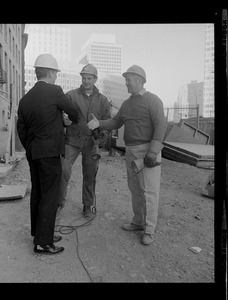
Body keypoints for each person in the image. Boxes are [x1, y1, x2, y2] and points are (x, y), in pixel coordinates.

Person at [88, 65, 166, 245]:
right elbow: (116, 122)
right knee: (135, 189)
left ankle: (150, 229)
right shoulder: (127, 104)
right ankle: (138, 222)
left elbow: (161, 126)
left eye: (128, 80)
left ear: (139, 80)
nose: (126, 83)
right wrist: (98, 122)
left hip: (148, 152)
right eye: (126, 80)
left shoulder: (153, 101)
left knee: (150, 192)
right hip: (131, 151)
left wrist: (153, 151)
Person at [17, 54, 79, 255]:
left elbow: (22, 129)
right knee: (50, 196)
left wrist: (31, 147)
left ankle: (40, 233)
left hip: (34, 153)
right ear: (51, 73)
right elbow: (75, 112)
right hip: (50, 152)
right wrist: (66, 119)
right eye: (55, 74)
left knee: (38, 193)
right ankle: (43, 242)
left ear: (37, 72)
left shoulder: (25, 99)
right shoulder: (55, 91)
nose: (56, 77)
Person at [58, 64, 111, 219]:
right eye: (84, 78)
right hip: (72, 139)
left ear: (95, 79)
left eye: (89, 78)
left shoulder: (103, 100)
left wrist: (102, 137)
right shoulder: (70, 96)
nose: (86, 81)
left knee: (89, 175)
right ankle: (59, 203)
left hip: (91, 143)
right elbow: (61, 115)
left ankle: (87, 205)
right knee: (63, 171)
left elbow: (107, 122)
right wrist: (64, 121)